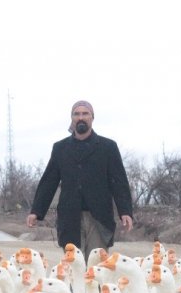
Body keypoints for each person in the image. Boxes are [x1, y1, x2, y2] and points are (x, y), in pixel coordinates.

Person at [27, 100, 133, 255]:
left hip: (99, 218)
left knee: (97, 268)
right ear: (72, 118)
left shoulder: (108, 147)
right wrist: (36, 211)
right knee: (73, 268)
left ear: (92, 117)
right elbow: (49, 182)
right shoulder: (60, 148)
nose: (81, 117)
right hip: (70, 218)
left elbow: (119, 182)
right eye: (76, 114)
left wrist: (125, 211)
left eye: (85, 113)